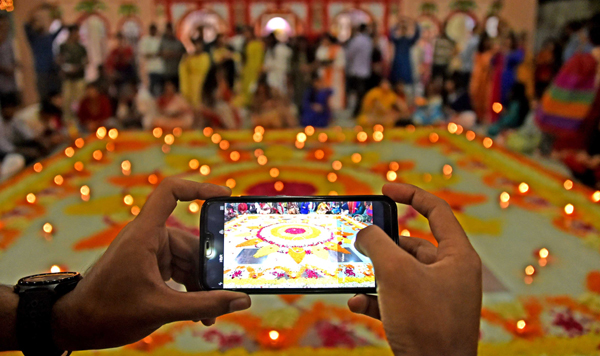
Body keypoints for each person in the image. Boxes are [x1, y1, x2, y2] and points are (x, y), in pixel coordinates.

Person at [24, 6, 63, 100]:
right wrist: (36, 9)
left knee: (57, 96)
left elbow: (62, 27)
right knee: (44, 97)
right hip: (42, 71)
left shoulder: (49, 37)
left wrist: (55, 12)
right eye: (37, 22)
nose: (39, 23)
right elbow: (26, 24)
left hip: (53, 69)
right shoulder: (33, 38)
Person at [57, 25, 88, 122]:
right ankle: (67, 121)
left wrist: (78, 67)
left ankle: (80, 120)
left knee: (79, 100)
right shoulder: (63, 46)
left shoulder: (81, 48)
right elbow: (59, 60)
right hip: (67, 78)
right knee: (67, 101)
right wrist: (64, 67)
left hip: (79, 77)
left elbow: (86, 61)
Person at [200, 65, 241, 130]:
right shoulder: (210, 105)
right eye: (220, 80)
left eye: (223, 79)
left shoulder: (230, 102)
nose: (224, 83)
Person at [346, 24, 374, 117]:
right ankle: (361, 110)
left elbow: (349, 55)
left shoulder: (356, 40)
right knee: (362, 93)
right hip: (365, 71)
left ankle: (356, 112)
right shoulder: (368, 41)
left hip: (355, 70)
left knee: (356, 93)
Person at [315, 35, 346, 111]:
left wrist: (331, 65)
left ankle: (334, 110)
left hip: (335, 76)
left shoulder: (338, 49)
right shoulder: (321, 49)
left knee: (335, 95)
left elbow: (341, 63)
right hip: (324, 75)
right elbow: (319, 61)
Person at [179, 39, 211, 109]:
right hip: (191, 84)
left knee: (200, 104)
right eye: (196, 45)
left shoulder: (205, 57)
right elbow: (183, 70)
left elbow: (206, 69)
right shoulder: (189, 58)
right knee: (191, 104)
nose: (198, 47)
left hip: (203, 82)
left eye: (200, 45)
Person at [469, 34, 495, 123]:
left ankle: (484, 118)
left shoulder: (491, 54)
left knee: (486, 99)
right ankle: (477, 117)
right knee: (476, 98)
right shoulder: (478, 54)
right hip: (478, 79)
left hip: (486, 80)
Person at [389, 21, 421, 89]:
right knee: (396, 81)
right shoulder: (397, 40)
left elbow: (416, 36)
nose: (403, 31)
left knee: (406, 83)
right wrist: (396, 26)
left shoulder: (408, 41)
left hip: (405, 62)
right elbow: (390, 35)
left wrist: (416, 25)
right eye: (402, 30)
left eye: (404, 30)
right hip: (397, 62)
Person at [139, 24, 165, 97]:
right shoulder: (145, 40)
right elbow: (145, 54)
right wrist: (156, 54)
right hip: (151, 69)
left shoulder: (159, 40)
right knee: (152, 90)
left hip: (160, 69)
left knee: (160, 90)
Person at [240, 27, 264, 104]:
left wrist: (259, 70)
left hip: (255, 70)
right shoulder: (245, 44)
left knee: (253, 88)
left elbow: (260, 59)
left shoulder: (258, 44)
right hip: (247, 71)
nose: (246, 34)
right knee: (246, 88)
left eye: (247, 32)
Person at [159, 23, 186, 89]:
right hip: (167, 72)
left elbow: (184, 54)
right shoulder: (163, 42)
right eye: (168, 30)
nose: (170, 32)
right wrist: (166, 54)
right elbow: (159, 53)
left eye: (171, 30)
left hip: (177, 72)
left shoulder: (178, 42)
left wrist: (174, 54)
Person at [291, 36, 314, 111]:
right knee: (299, 96)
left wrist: (309, 67)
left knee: (308, 95)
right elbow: (292, 67)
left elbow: (315, 64)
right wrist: (299, 68)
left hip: (308, 79)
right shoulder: (295, 55)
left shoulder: (310, 54)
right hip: (298, 80)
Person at [0, 15, 18, 96]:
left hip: (11, 85)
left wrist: (15, 65)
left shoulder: (8, 42)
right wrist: (5, 69)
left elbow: (12, 59)